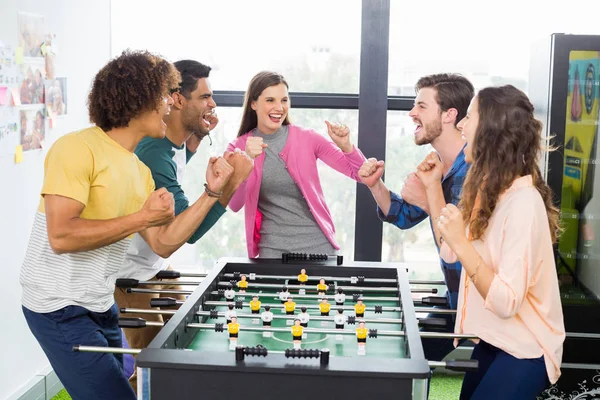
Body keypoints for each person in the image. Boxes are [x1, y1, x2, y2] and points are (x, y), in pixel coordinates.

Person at [19, 50, 222, 400]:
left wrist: (211, 194)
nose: (171, 106)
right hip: (57, 306)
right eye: (165, 96)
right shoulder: (76, 149)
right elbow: (61, 236)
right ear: (139, 99)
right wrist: (142, 217)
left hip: (100, 303)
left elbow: (162, 242)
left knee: (131, 388)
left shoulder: (138, 170)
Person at [112, 59, 253, 391]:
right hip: (130, 276)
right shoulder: (153, 154)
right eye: (205, 97)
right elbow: (188, 234)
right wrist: (230, 184)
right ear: (176, 99)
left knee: (187, 341)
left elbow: (178, 156)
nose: (213, 104)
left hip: (155, 266)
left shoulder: (172, 144)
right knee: (150, 371)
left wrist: (199, 135)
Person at [431, 85, 565, 399]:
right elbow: (450, 251)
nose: (461, 125)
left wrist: (462, 244)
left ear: (491, 131)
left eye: (469, 117)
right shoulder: (486, 188)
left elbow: (506, 302)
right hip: (493, 340)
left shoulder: (523, 204)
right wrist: (431, 185)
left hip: (526, 347)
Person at [358, 73, 474, 362]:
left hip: (481, 306)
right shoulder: (439, 165)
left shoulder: (473, 173)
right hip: (457, 298)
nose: (412, 113)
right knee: (408, 357)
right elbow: (404, 216)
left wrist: (429, 195)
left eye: (422, 106)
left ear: (449, 115)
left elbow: (456, 251)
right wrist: (376, 185)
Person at [227, 71, 367, 258]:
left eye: (284, 100)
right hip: (273, 251)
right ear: (253, 104)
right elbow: (234, 204)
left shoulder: (307, 138)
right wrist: (248, 161)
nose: (279, 107)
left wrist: (347, 146)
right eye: (270, 100)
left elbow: (360, 173)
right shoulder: (237, 148)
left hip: (319, 247)